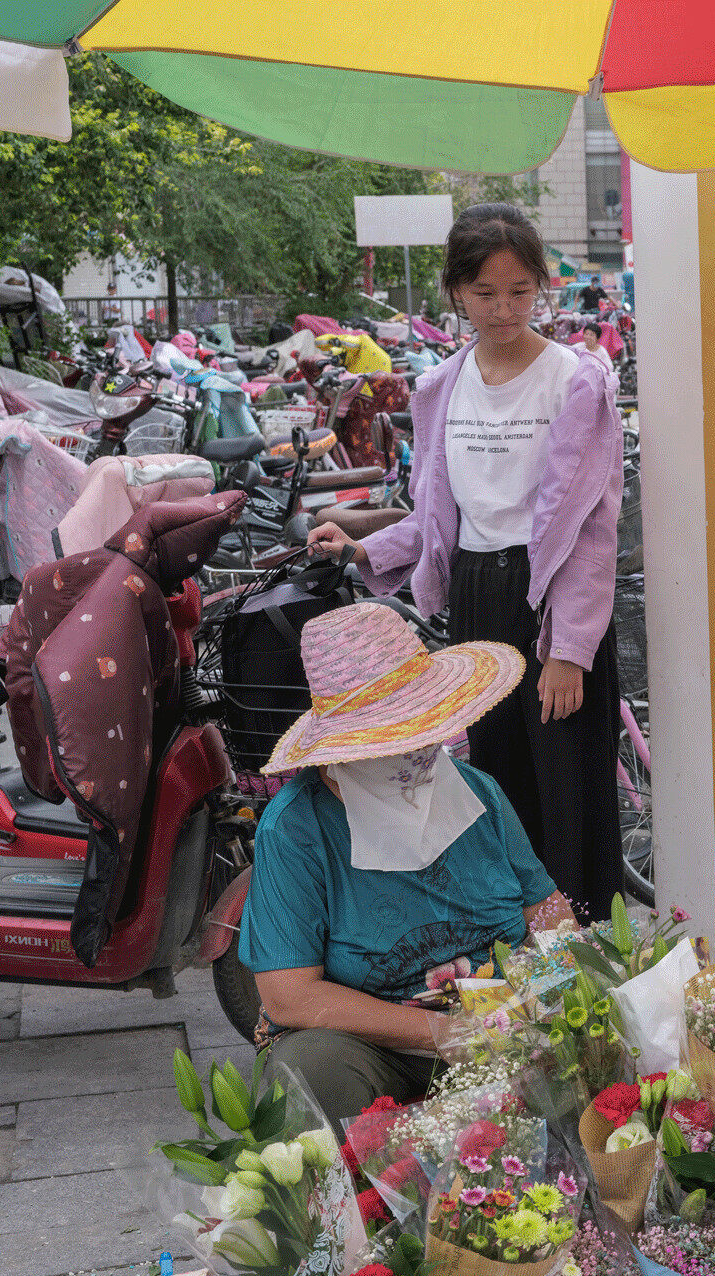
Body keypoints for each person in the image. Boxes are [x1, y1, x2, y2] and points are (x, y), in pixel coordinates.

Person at [310, 202, 626, 920]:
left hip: (552, 607)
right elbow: (439, 519)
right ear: (455, 292)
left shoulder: (575, 380)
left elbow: (594, 529)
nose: (504, 309)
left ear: (542, 286)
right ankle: (521, 972)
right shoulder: (441, 386)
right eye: (485, 293)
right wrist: (365, 547)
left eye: (520, 291)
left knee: (567, 796)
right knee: (500, 795)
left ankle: (586, 963)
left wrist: (571, 649)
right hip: (480, 604)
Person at [241, 602, 577, 1126]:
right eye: (395, 733)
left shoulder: (475, 790)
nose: (419, 746)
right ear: (342, 748)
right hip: (377, 1044)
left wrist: (545, 992)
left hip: (504, 1017)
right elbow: (288, 995)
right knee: (306, 1076)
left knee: (599, 1041)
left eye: (424, 727)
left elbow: (548, 911)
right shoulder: (296, 828)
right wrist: (445, 1035)